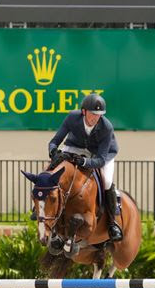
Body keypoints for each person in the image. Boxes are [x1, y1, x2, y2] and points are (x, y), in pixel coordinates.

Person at [46, 93, 122, 241]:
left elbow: (100, 160)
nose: (95, 118)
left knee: (106, 181)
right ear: (84, 111)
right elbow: (54, 141)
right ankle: (40, 209)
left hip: (101, 154)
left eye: (99, 115)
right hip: (76, 147)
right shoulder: (72, 118)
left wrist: (85, 163)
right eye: (92, 114)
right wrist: (53, 152)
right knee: (51, 170)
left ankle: (112, 222)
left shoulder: (106, 127)